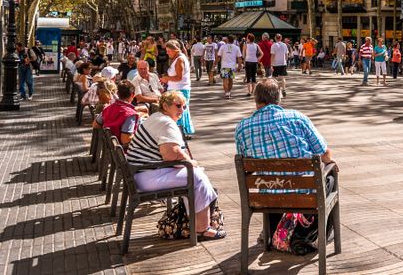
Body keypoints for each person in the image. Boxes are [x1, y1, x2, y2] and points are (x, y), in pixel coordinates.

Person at [234, 79, 336, 241]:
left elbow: (246, 163)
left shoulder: (242, 128)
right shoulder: (298, 118)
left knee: (271, 183)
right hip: (303, 194)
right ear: (278, 98)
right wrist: (331, 163)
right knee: (330, 176)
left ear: (256, 100)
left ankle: (272, 230)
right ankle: (322, 233)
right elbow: (325, 155)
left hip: (266, 197)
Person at [125, 91, 224, 239]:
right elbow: (171, 155)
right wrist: (191, 162)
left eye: (184, 107)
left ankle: (195, 222)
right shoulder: (166, 123)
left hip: (140, 174)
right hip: (147, 176)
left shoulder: (156, 118)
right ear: (165, 105)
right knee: (198, 177)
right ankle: (202, 229)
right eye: (178, 106)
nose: (182, 110)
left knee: (195, 174)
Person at [160, 40, 194, 136]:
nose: (167, 53)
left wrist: (167, 78)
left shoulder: (179, 59)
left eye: (168, 50)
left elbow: (179, 77)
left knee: (178, 111)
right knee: (180, 110)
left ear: (174, 49)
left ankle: (181, 131)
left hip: (180, 88)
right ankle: (183, 131)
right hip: (178, 88)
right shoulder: (178, 58)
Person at [93, 80, 138, 146]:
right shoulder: (130, 115)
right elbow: (125, 140)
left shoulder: (108, 108)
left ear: (117, 93)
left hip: (110, 147)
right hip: (124, 152)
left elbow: (95, 124)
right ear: (133, 95)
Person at [217, 35, 243, 99]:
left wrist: (215, 64)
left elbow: (218, 56)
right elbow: (239, 58)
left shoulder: (223, 47)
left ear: (228, 40)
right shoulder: (236, 47)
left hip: (224, 65)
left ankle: (226, 93)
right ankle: (229, 91)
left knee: (225, 80)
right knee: (231, 80)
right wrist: (239, 66)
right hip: (232, 66)